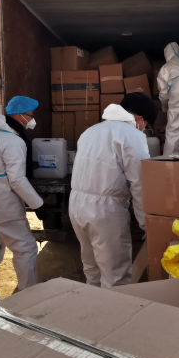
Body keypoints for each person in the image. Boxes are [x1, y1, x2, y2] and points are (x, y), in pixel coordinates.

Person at [69, 93, 156, 287]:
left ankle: (90, 305)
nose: (144, 129)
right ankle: (112, 308)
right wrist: (146, 223)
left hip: (76, 206)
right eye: (146, 125)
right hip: (105, 211)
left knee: (92, 271)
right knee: (115, 277)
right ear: (139, 118)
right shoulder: (132, 135)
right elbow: (140, 183)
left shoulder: (90, 131)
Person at [0, 96, 47, 309]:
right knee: (25, 248)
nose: (31, 120)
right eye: (30, 115)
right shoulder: (13, 140)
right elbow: (16, 179)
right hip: (1, 201)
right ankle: (28, 298)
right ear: (19, 116)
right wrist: (38, 205)